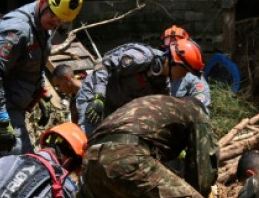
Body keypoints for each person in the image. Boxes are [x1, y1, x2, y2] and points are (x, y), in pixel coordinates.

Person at [0, 0, 84, 198]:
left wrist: (40, 94)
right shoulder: (16, 29)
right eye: (54, 17)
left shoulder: (43, 26)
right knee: (23, 166)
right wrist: (2, 119)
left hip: (11, 101)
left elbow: (34, 65)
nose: (56, 23)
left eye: (61, 20)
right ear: (43, 2)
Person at [79, 95, 227, 198]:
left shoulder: (154, 104)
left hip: (91, 163)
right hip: (126, 156)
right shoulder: (196, 112)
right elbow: (202, 176)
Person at [76, 39, 204, 135]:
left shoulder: (162, 85)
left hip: (115, 108)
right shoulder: (141, 57)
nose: (184, 76)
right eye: (184, 71)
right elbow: (103, 65)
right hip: (94, 94)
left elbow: (159, 113)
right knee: (88, 138)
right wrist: (99, 96)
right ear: (173, 62)